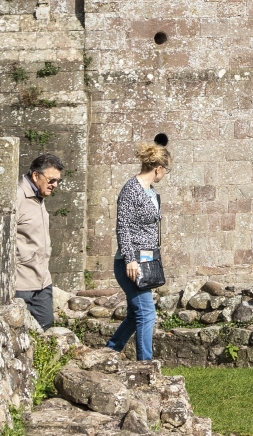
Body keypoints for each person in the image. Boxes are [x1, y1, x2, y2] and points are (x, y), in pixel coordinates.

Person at [106, 141, 169, 361]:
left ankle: (109, 353)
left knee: (135, 316)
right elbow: (122, 226)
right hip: (131, 263)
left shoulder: (152, 192)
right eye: (166, 169)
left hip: (147, 260)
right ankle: (145, 366)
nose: (165, 173)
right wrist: (130, 259)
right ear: (158, 168)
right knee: (147, 313)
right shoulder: (131, 189)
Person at [13, 152, 64, 329]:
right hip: (21, 282)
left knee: (46, 325)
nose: (55, 185)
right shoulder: (17, 196)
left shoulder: (38, 197)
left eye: (58, 181)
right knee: (21, 332)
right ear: (36, 176)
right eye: (51, 180)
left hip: (43, 280)